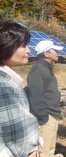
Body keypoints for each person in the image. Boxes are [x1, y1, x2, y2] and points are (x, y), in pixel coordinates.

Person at [0, 19, 40, 157]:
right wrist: (30, 150)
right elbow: (15, 131)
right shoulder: (3, 85)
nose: (28, 50)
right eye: (23, 46)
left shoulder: (8, 78)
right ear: (6, 46)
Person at [26, 40, 64, 157]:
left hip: (52, 114)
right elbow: (35, 96)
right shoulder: (38, 70)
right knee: (43, 152)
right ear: (46, 53)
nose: (57, 53)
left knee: (50, 149)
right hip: (46, 116)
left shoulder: (46, 68)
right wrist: (43, 117)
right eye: (55, 50)